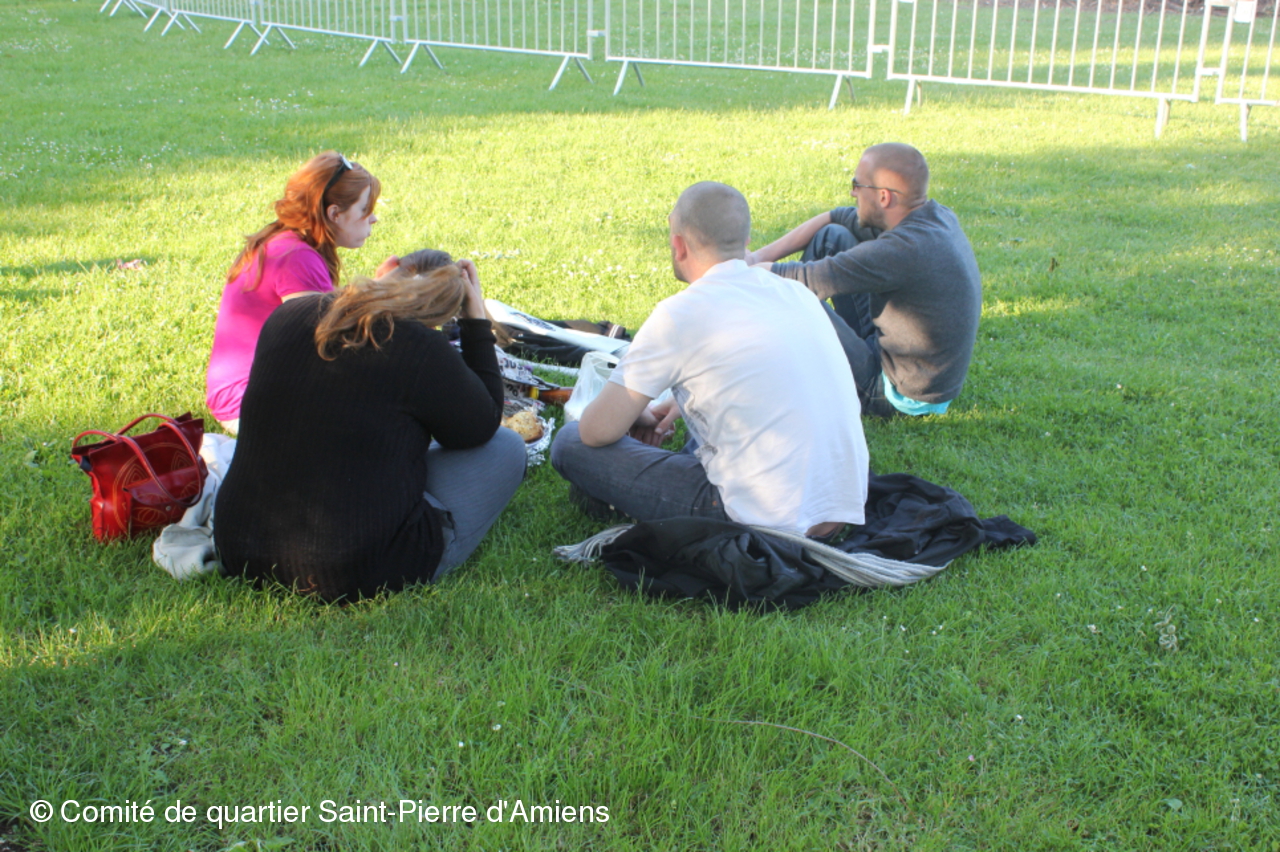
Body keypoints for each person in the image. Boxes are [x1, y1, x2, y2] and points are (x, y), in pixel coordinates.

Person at [551, 182, 869, 538]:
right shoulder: (797, 293)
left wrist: (635, 413)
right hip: (839, 509)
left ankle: (615, 500)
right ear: (745, 241)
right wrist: (678, 402)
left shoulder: (680, 315)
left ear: (679, 245)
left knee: (570, 443)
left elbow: (595, 432)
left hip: (761, 522)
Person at [214, 253, 527, 601]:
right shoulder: (422, 348)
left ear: (386, 268)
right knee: (507, 448)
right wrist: (476, 321)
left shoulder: (287, 314)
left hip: (237, 546)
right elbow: (483, 425)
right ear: (440, 315)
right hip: (346, 571)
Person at [747, 142, 981, 418]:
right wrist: (757, 257)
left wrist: (731, 268)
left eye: (857, 185)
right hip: (897, 357)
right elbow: (834, 217)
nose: (853, 192)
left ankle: (765, 369)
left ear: (883, 197)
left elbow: (799, 279)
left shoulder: (902, 250)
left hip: (895, 392)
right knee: (831, 236)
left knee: (797, 296)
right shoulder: (934, 217)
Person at [206, 151, 381, 435]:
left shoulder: (286, 241)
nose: (374, 218)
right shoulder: (296, 257)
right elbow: (323, 346)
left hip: (245, 391)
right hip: (249, 400)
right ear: (334, 214)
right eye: (364, 209)